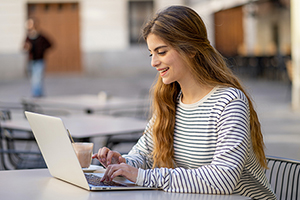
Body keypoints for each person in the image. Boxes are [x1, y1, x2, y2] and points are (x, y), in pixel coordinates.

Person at [92, 5, 276, 200]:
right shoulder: (170, 102)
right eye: (151, 53)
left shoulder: (229, 102)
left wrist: (143, 177)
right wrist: (122, 162)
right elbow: (144, 154)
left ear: (191, 50)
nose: (153, 62)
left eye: (161, 52)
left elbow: (223, 179)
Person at [23, 18, 52, 97]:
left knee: (37, 78)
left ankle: (36, 95)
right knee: (33, 79)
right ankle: (39, 93)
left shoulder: (40, 37)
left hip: (39, 60)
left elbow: (50, 44)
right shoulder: (28, 37)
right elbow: (24, 47)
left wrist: (41, 50)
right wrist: (27, 47)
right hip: (31, 60)